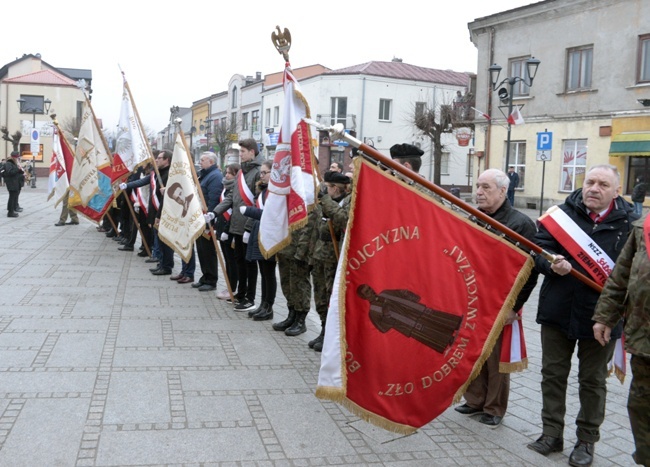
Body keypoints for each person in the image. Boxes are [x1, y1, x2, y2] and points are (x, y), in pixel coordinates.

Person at [527, 164, 638, 467]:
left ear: (616, 191)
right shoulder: (561, 215)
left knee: (592, 381)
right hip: (557, 309)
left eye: (603, 184)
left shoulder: (631, 223)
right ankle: (551, 433)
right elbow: (538, 250)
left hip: (601, 317)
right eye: (590, 181)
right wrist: (551, 263)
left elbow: (633, 272)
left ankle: (586, 441)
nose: (594, 188)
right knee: (552, 375)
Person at [454, 169, 538, 428]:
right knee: (472, 350)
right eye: (478, 186)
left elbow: (531, 270)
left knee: (495, 357)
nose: (478, 192)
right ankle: (475, 399)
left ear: (503, 191)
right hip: (472, 299)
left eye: (486, 187)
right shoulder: (475, 218)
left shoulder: (520, 224)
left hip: (502, 302)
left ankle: (494, 407)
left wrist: (515, 307)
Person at [592, 213, 650, 467]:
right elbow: (621, 275)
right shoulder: (644, 227)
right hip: (645, 340)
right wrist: (605, 316)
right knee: (642, 406)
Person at [210, 139, 260, 311]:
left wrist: (249, 227)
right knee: (239, 261)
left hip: (249, 226)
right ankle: (241, 292)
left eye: (244, 152)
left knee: (249, 263)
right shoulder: (241, 173)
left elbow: (257, 202)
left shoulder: (257, 172)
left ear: (252, 152)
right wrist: (215, 212)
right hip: (236, 225)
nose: (241, 155)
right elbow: (231, 198)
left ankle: (250, 298)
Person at [309, 171, 351, 352]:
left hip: (334, 257)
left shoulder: (347, 201)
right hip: (319, 255)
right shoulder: (326, 202)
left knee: (330, 297)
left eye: (327, 187)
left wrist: (325, 201)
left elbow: (343, 219)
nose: (325, 190)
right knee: (320, 296)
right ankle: (323, 329)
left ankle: (331, 334)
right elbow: (317, 227)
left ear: (335, 188)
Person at [241, 161, 276, 321]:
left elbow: (271, 215)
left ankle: (269, 306)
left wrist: (249, 211)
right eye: (261, 173)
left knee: (268, 273)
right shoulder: (263, 191)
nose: (261, 176)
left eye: (264, 173)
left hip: (270, 235)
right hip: (259, 232)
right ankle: (263, 303)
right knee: (263, 270)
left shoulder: (276, 193)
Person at [192, 152, 223, 292]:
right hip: (200, 218)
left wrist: (208, 221)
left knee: (208, 251)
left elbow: (213, 199)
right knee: (201, 250)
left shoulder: (215, 176)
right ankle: (204, 277)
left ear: (211, 162)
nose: (200, 161)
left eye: (203, 160)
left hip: (207, 219)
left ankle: (211, 280)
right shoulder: (204, 174)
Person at [215, 163, 240, 301]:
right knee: (227, 260)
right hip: (222, 226)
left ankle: (233, 288)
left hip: (231, 228)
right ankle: (229, 286)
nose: (227, 175)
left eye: (230, 173)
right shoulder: (225, 188)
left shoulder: (236, 188)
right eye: (226, 173)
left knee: (233, 260)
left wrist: (226, 228)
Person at [3, 152, 24, 217]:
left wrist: (21, 170)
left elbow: (16, 171)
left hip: (15, 182)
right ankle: (10, 212)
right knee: (12, 197)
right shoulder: (9, 163)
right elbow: (10, 172)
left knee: (14, 197)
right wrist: (18, 169)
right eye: (17, 157)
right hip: (11, 183)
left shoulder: (13, 163)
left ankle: (12, 210)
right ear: (14, 157)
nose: (18, 159)